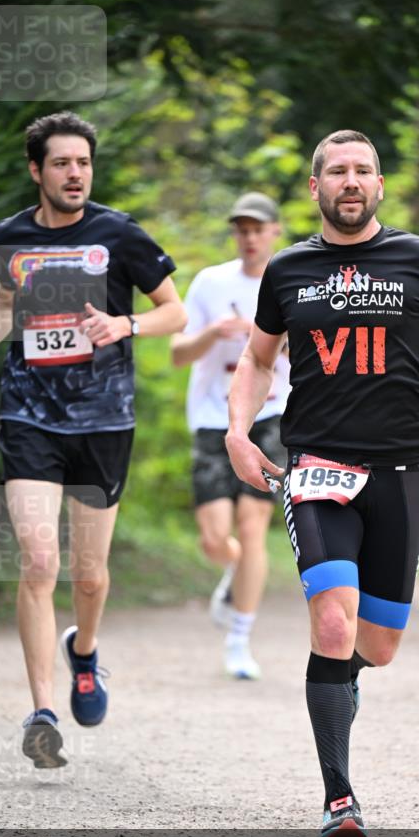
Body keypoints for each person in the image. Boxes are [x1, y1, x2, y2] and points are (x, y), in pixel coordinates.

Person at [225, 130, 419, 837]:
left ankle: (341, 686)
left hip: (402, 470)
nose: (350, 181)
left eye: (362, 171)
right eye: (336, 171)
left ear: (379, 185)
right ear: (314, 188)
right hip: (317, 466)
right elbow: (254, 362)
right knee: (332, 625)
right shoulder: (287, 271)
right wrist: (238, 432)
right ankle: (339, 799)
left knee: (375, 645)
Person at [0, 111, 186, 768]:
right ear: (37, 171)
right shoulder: (13, 235)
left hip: (104, 423)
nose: (75, 173)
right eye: (61, 163)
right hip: (29, 417)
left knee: (89, 575)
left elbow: (177, 309)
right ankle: (42, 712)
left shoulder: (118, 234)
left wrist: (126, 326)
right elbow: (6, 303)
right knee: (38, 561)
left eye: (83, 162)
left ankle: (83, 652)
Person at [171, 193, 290, 679]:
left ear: (275, 232)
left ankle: (240, 637)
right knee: (215, 537)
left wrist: (265, 342)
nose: (249, 236)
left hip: (273, 412)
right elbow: (179, 353)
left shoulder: (291, 282)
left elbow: (315, 355)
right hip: (212, 415)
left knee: (252, 524)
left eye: (258, 228)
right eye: (241, 228)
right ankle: (232, 573)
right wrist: (214, 334)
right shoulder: (210, 283)